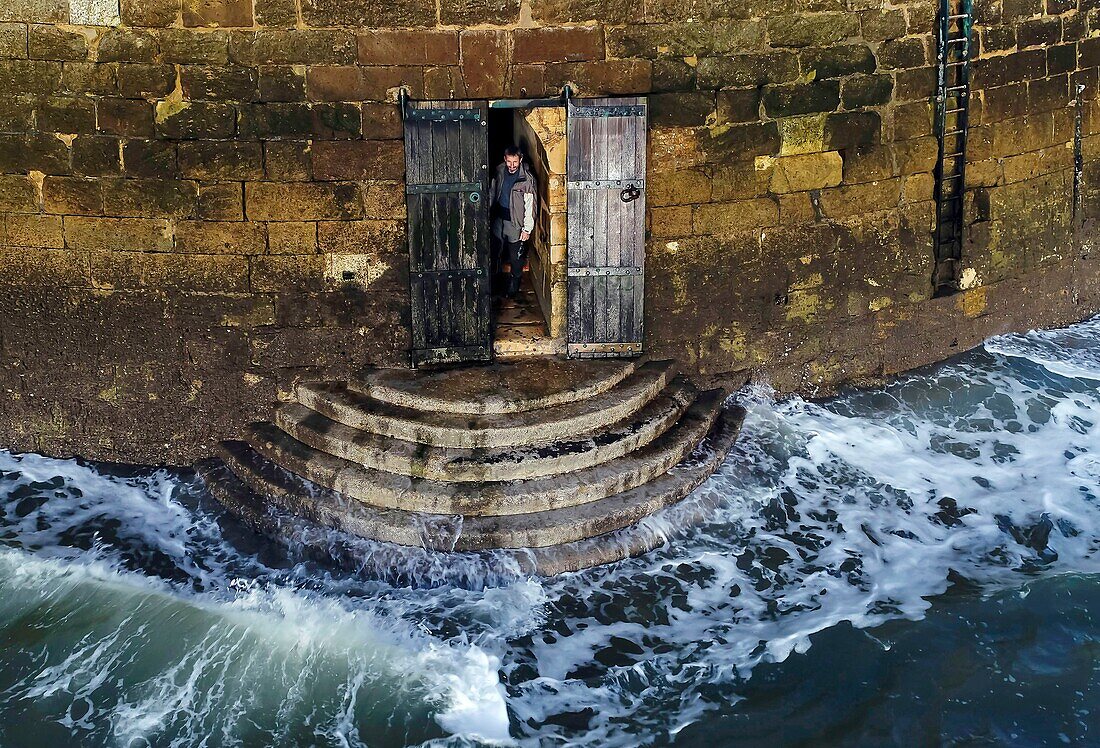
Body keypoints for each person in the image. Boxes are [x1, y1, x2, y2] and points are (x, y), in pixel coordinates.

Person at [489, 146, 537, 299]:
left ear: (520, 160)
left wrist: (527, 229)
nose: (512, 165)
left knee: (516, 255)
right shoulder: (499, 171)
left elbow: (531, 206)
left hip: (515, 222)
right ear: (505, 159)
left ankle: (514, 283)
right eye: (509, 162)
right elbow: (492, 192)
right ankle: (495, 282)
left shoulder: (527, 179)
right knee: (495, 250)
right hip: (498, 218)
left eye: (515, 162)